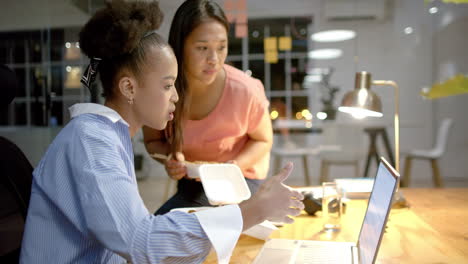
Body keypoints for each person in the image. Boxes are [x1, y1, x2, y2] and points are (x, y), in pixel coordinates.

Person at [19, 1, 304, 263]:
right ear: (129, 88)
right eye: (168, 86)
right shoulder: (91, 141)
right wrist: (252, 211)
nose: (176, 97)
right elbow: (141, 241)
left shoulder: (106, 136)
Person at [143, 0, 273, 215]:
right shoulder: (163, 90)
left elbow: (263, 140)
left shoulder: (245, 90)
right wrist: (170, 157)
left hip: (240, 181)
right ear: (180, 46)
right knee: (167, 227)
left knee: (170, 226)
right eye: (202, 48)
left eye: (221, 47)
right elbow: (152, 141)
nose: (214, 59)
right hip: (193, 183)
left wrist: (231, 168)